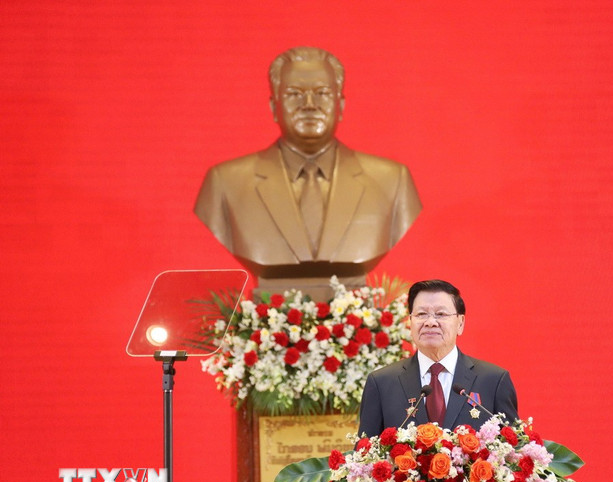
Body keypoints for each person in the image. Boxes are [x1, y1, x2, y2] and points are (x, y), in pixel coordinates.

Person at [194, 47, 421, 297]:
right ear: (273, 106)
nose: (309, 105)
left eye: (322, 93)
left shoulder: (391, 181)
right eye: (294, 94)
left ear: (341, 105)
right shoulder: (226, 182)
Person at [358, 279, 519, 436]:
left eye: (441, 314)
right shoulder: (381, 383)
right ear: (410, 321)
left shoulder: (493, 381)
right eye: (421, 314)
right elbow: (365, 450)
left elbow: (515, 446)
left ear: (460, 323)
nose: (430, 322)